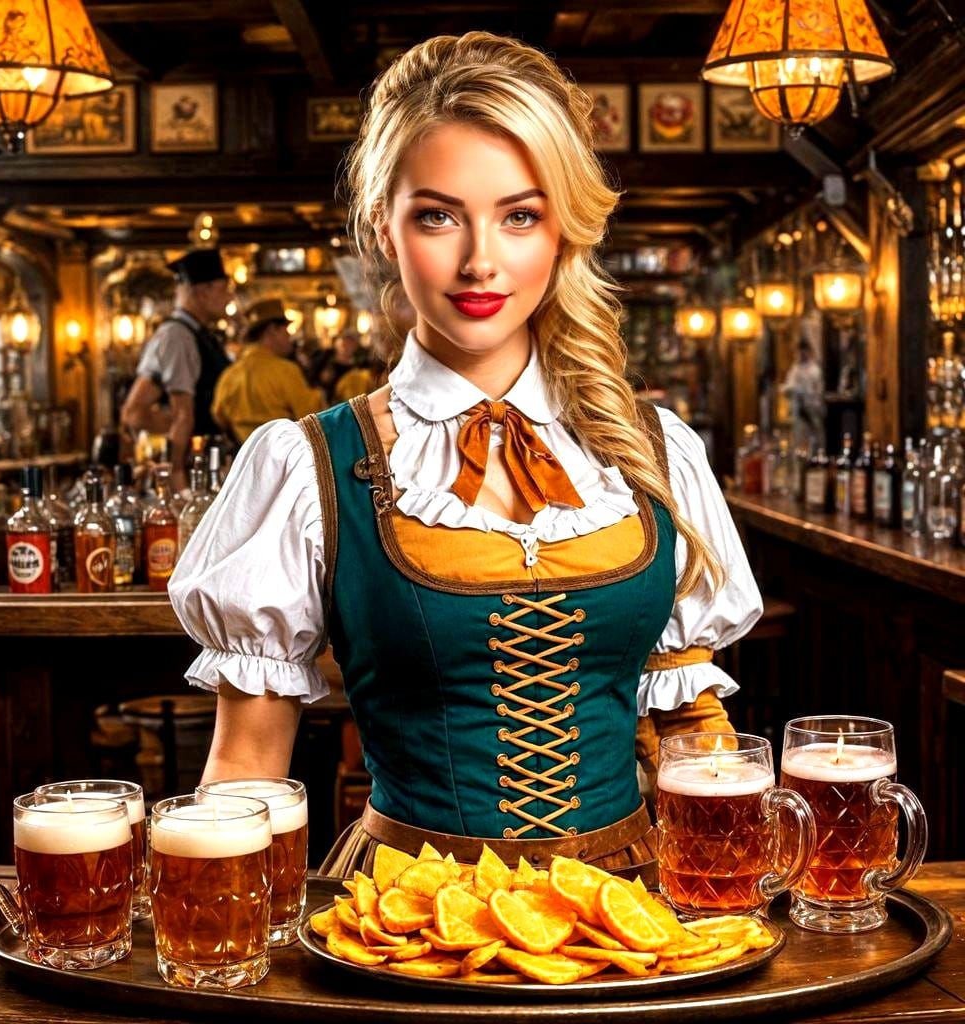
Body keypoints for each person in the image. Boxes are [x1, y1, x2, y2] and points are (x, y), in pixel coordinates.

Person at [170, 33, 761, 877]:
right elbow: (245, 772)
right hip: (398, 928)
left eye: (520, 215)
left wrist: (727, 902)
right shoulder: (306, 469)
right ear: (384, 226)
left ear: (563, 231)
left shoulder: (653, 452)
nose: (481, 260)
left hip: (626, 927)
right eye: (438, 215)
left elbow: (691, 734)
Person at [120, 249, 232, 492]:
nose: (229, 298)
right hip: (193, 474)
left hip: (206, 464)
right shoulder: (178, 336)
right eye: (224, 289)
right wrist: (178, 484)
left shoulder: (200, 334)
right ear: (203, 291)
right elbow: (178, 415)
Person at [211, 298, 324, 444]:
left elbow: (219, 417)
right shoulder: (286, 371)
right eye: (286, 330)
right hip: (283, 459)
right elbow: (311, 418)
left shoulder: (230, 374)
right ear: (272, 330)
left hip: (242, 457)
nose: (289, 336)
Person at [782, 338, 825, 454]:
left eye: (803, 351)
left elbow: (818, 392)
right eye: (799, 352)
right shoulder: (795, 369)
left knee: (814, 439)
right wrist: (790, 390)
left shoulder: (815, 370)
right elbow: (788, 386)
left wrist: (812, 402)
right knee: (798, 440)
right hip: (797, 410)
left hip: (812, 410)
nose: (801, 354)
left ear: (808, 352)